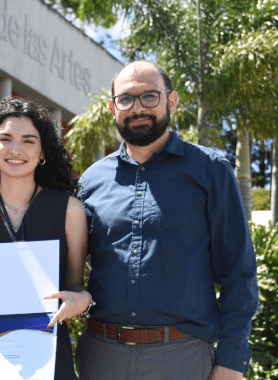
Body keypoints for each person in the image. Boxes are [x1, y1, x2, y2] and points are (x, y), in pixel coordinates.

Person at [75, 61, 259, 380]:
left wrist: (231, 361)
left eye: (150, 97)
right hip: (100, 357)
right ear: (112, 107)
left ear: (171, 101)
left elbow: (238, 272)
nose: (138, 108)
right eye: (126, 99)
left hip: (181, 358)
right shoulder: (92, 180)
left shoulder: (211, 171)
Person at [0, 98, 91, 379]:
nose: (15, 149)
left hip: (47, 358)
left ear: (42, 151)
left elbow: (76, 286)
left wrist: (81, 301)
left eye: (28, 141)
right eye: (5, 139)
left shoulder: (70, 211)